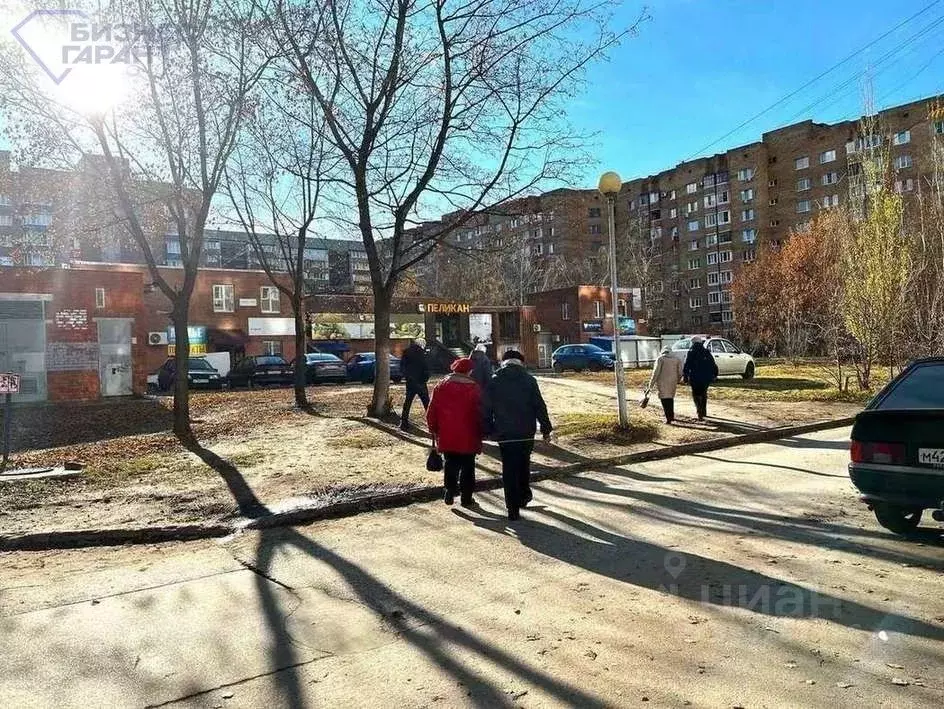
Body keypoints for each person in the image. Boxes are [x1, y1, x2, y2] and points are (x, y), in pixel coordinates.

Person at [484, 350, 553, 521]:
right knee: (523, 464)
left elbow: (486, 408)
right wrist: (546, 429)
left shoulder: (494, 380)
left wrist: (488, 429)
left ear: (504, 362)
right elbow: (539, 406)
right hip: (525, 432)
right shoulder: (529, 380)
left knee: (509, 468)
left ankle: (512, 507)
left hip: (504, 432)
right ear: (520, 363)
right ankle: (523, 496)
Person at [426, 357, 484, 507]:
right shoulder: (475, 388)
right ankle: (466, 498)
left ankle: (450, 491)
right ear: (469, 371)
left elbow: (432, 410)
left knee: (450, 464)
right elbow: (480, 412)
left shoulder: (441, 386)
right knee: (468, 466)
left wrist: (432, 427)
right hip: (469, 433)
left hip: (447, 432)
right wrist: (483, 429)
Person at [683, 336, 718, 420]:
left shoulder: (691, 352)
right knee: (703, 393)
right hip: (706, 377)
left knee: (696, 394)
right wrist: (715, 374)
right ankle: (704, 411)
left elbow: (687, 364)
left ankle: (699, 410)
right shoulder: (706, 351)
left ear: (693, 343)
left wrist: (685, 375)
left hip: (694, 377)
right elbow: (712, 364)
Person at [400, 337, 430, 431]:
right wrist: (425, 379)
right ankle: (432, 423)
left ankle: (403, 423)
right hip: (421, 382)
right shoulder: (422, 353)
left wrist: (407, 377)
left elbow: (402, 366)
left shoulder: (406, 352)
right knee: (427, 404)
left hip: (410, 382)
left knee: (407, 402)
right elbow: (426, 367)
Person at [647, 346, 684, 424]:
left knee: (664, 399)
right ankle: (671, 415)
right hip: (673, 382)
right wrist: (677, 380)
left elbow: (655, 373)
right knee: (670, 398)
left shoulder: (660, 359)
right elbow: (680, 372)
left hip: (662, 382)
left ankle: (668, 418)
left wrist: (651, 384)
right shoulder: (677, 359)